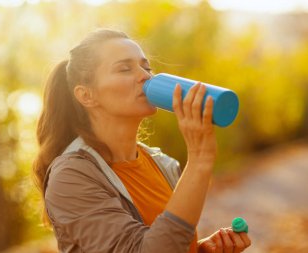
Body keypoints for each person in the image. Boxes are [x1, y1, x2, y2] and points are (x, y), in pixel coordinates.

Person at [33, 28, 251, 253]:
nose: (146, 76)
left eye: (146, 67)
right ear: (87, 95)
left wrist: (200, 250)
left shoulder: (163, 164)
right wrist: (200, 158)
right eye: (125, 69)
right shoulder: (71, 177)